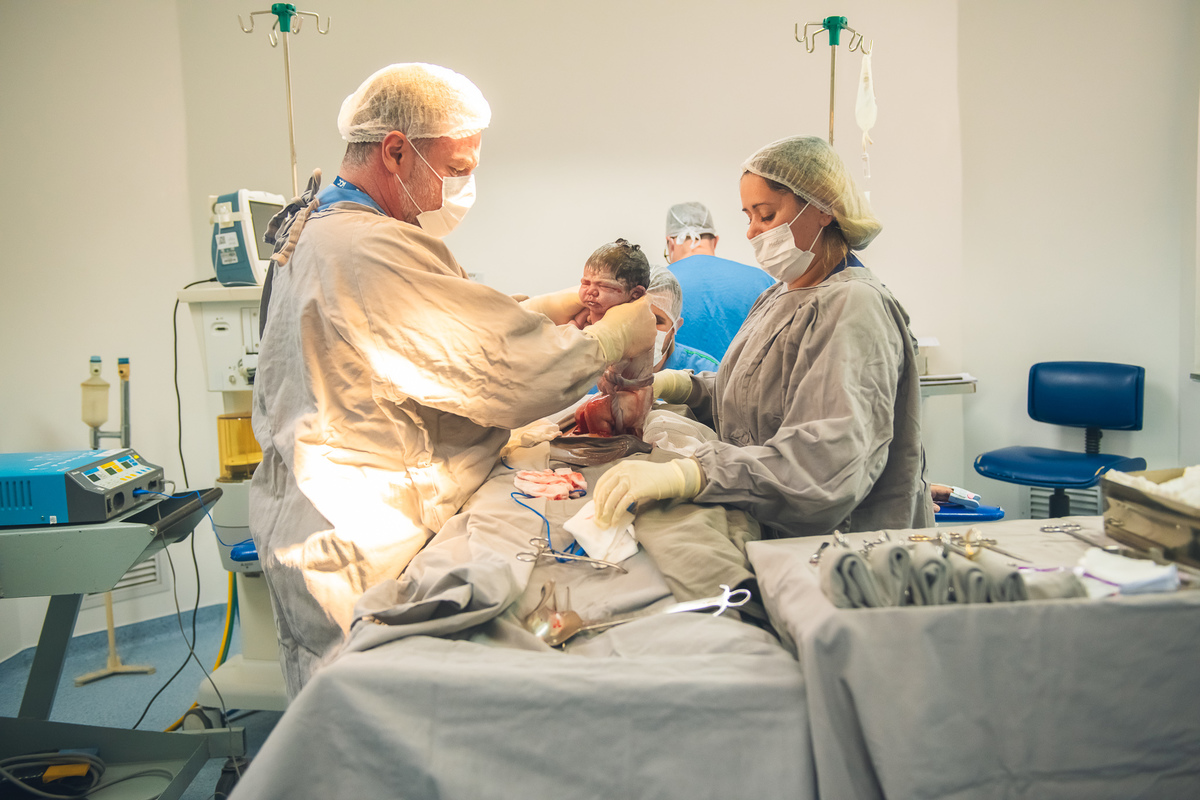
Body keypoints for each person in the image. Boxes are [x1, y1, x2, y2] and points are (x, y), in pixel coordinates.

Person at [250, 63, 655, 694]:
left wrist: (535, 310)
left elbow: (432, 331)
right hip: (358, 532)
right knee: (362, 720)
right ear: (394, 151)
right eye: (457, 169)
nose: (462, 188)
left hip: (340, 512)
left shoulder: (332, 231)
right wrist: (614, 335)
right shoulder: (363, 250)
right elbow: (509, 373)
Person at [595, 136, 932, 538]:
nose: (753, 232)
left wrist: (692, 475)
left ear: (822, 208)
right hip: (774, 530)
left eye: (766, 215)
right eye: (747, 216)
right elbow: (756, 394)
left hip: (845, 550)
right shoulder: (778, 295)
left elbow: (824, 462)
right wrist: (675, 385)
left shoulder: (854, 305)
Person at [664, 201, 773, 361]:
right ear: (715, 240)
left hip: (675, 385)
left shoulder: (656, 284)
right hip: (746, 385)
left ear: (670, 243)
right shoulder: (762, 280)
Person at [645, 267, 720, 373]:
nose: (643, 329)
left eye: (656, 321)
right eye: (635, 318)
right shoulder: (613, 366)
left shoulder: (707, 371)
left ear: (675, 327)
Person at [569, 239, 650, 329]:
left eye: (604, 286)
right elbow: (574, 327)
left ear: (636, 293)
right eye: (586, 283)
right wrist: (574, 325)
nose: (591, 291)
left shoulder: (631, 321)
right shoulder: (587, 312)